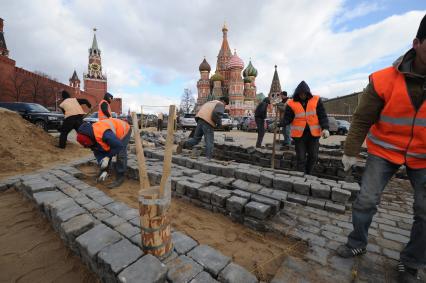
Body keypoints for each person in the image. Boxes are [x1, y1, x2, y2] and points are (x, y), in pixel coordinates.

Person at [337, 15, 426, 282]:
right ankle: (357, 241)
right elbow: (362, 118)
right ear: (417, 43)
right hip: (385, 151)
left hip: (423, 155)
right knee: (366, 199)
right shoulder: (384, 79)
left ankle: (411, 261)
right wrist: (350, 150)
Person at [282, 81, 329, 174]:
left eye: (304, 93)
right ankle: (301, 176)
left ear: (308, 93)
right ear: (297, 94)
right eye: (300, 94)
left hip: (313, 135)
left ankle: (308, 174)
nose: (302, 95)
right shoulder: (291, 103)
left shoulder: (316, 100)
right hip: (299, 136)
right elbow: (288, 118)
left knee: (313, 156)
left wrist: (325, 128)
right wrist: (280, 124)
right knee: (301, 157)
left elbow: (322, 115)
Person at [77, 118, 131, 188]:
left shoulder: (104, 135)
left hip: (124, 130)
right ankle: (105, 171)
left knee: (121, 154)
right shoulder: (90, 135)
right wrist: (103, 165)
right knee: (101, 149)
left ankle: (120, 177)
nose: (90, 147)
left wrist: (108, 157)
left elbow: (118, 146)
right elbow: (97, 151)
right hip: (111, 135)